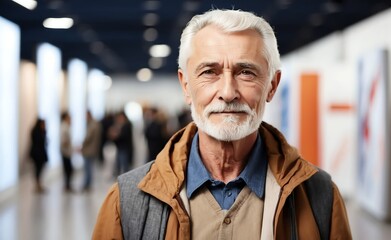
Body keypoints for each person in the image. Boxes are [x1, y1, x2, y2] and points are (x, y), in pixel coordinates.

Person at [93, 9, 352, 239]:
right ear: (186, 85)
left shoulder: (320, 196)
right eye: (209, 72)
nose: (228, 93)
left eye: (246, 72)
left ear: (272, 85)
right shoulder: (127, 202)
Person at [81, 111, 101, 192]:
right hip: (93, 149)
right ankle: (87, 184)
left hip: (89, 150)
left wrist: (82, 145)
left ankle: (87, 184)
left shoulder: (92, 125)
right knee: (89, 168)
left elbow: (88, 137)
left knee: (88, 168)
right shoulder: (95, 124)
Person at [29, 118, 48, 193]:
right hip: (37, 154)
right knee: (37, 170)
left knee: (40, 169)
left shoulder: (43, 131)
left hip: (41, 153)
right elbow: (37, 142)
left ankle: (39, 184)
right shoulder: (35, 131)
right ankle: (37, 185)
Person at [60, 112, 74, 192]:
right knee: (68, 169)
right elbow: (64, 141)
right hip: (65, 152)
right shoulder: (64, 127)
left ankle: (68, 185)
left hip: (67, 151)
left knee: (68, 169)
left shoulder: (66, 126)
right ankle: (67, 186)